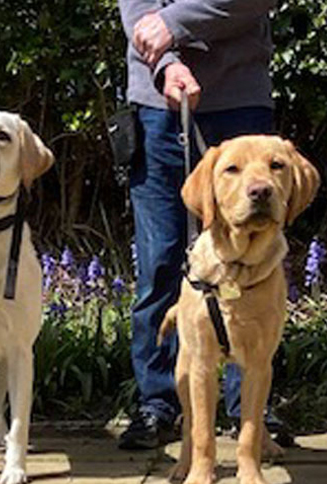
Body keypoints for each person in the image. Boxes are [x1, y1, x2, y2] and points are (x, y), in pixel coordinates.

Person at [116, 0, 283, 450]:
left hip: (239, 100)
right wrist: (165, 64)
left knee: (253, 259)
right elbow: (138, 10)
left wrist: (173, 23)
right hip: (156, 103)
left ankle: (249, 410)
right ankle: (158, 403)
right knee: (160, 261)